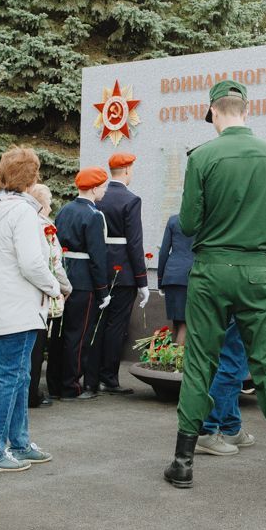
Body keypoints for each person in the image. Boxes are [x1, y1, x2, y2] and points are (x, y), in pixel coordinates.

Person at [163, 79, 266, 496]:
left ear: (213, 112)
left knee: (200, 363)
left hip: (211, 272)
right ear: (246, 111)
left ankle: (183, 464)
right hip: (257, 273)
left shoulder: (202, 156)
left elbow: (188, 223)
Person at [0, 147, 61, 473]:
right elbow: (31, 263)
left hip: (1, 303)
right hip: (20, 305)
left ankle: (20, 443)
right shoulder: (22, 212)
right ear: (32, 177)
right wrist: (54, 287)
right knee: (11, 377)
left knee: (18, 375)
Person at [90, 153, 148, 395]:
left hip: (98, 268)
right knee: (116, 325)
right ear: (126, 170)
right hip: (123, 272)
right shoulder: (131, 200)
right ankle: (109, 378)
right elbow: (134, 243)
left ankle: (92, 376)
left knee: (98, 323)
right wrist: (142, 280)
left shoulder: (98, 196)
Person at [50, 168, 109, 399]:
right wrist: (103, 290)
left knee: (59, 334)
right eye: (102, 187)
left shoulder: (65, 210)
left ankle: (55, 384)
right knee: (78, 335)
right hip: (84, 282)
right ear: (93, 189)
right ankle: (70, 386)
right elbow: (97, 256)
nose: (104, 191)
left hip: (64, 276)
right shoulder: (94, 215)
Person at [28, 183, 72, 408]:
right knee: (37, 346)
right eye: (49, 201)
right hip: (42, 294)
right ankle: (32, 393)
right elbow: (55, 264)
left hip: (23, 294)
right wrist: (65, 288)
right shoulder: (46, 228)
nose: (51, 206)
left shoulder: (25, 222)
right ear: (41, 204)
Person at [196, 318, 256, 455]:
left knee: (230, 360)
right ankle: (207, 431)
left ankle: (231, 428)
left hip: (225, 309)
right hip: (242, 308)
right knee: (233, 364)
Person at [157, 213, 193, 345]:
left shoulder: (173, 220)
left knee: (176, 322)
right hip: (191, 275)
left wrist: (160, 280)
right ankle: (177, 358)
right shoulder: (204, 221)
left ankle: (170, 357)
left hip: (171, 275)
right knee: (186, 323)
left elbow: (163, 252)